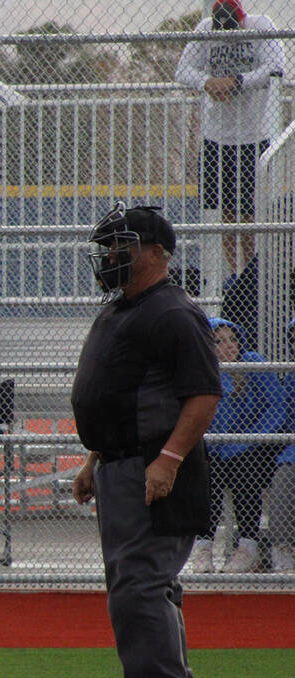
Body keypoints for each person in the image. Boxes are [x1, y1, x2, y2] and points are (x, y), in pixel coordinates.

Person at [70, 203, 221, 678]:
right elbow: (119, 395)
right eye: (107, 247)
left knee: (140, 585)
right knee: (141, 584)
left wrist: (169, 460)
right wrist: (94, 459)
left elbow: (202, 395)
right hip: (122, 467)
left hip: (155, 473)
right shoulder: (122, 309)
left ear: (156, 254)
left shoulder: (173, 313)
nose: (111, 257)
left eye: (122, 246)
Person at [175, 0, 284, 285]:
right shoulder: (205, 30)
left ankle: (249, 273)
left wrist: (236, 82)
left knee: (248, 214)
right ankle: (235, 275)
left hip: (252, 136)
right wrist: (208, 82)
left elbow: (275, 68)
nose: (225, 34)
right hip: (217, 137)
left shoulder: (260, 27)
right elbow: (182, 71)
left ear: (241, 20)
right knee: (225, 213)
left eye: (231, 28)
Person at [189, 317, 282, 573]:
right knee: (210, 469)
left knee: (244, 467)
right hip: (216, 449)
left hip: (254, 447)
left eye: (233, 339)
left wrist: (247, 439)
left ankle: (248, 546)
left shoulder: (252, 364)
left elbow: (276, 409)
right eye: (219, 341)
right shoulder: (204, 371)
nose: (229, 346)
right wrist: (216, 445)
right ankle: (204, 545)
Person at [263, 318, 295, 572]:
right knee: (284, 474)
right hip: (293, 447)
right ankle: (282, 548)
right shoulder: (291, 377)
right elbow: (284, 417)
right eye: (292, 338)